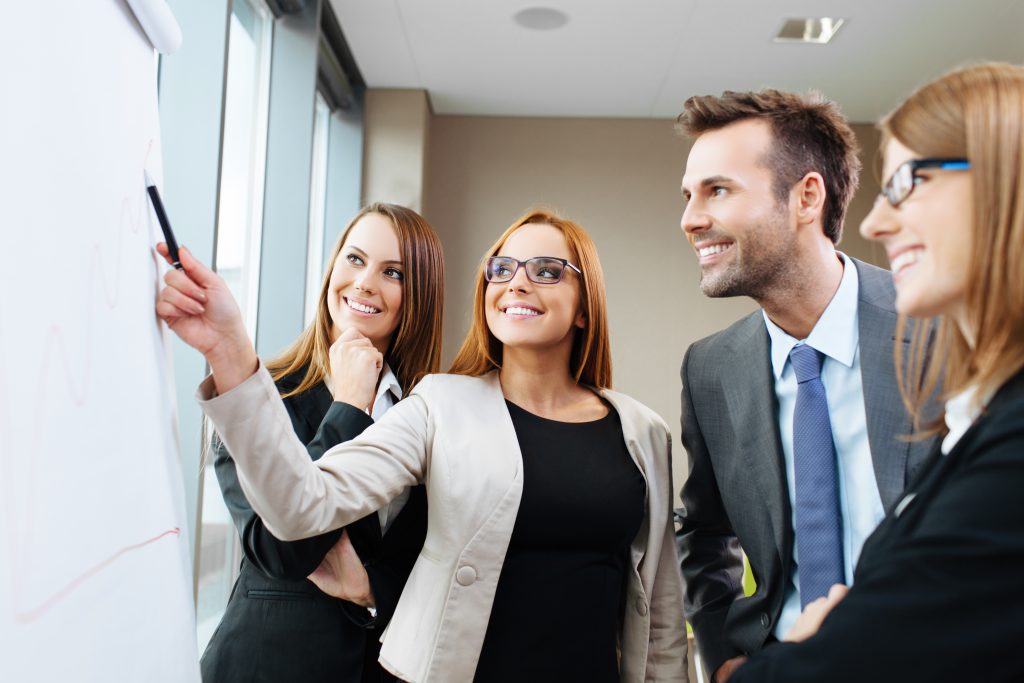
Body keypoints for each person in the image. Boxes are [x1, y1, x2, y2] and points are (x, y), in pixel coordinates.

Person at [157, 209, 688, 683]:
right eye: (502, 269)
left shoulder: (641, 431)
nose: (518, 283)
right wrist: (235, 354)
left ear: (584, 305)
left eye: (546, 271)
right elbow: (297, 515)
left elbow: (660, 609)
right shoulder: (439, 406)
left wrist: (369, 589)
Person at [727, 62, 1024, 682]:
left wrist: (817, 646)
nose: (873, 224)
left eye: (907, 183)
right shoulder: (981, 414)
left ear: (1005, 178)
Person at [673, 89, 935, 681]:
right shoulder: (711, 368)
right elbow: (705, 534)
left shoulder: (941, 325)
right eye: (688, 195)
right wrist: (722, 659)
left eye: (718, 190)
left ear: (806, 197)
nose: (690, 218)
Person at [197, 203, 444, 683]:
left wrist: (370, 587)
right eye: (354, 259)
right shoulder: (256, 394)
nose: (365, 282)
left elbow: (434, 560)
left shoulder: (432, 412)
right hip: (267, 667)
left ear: (420, 297)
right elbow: (281, 551)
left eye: (392, 271)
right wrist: (349, 405)